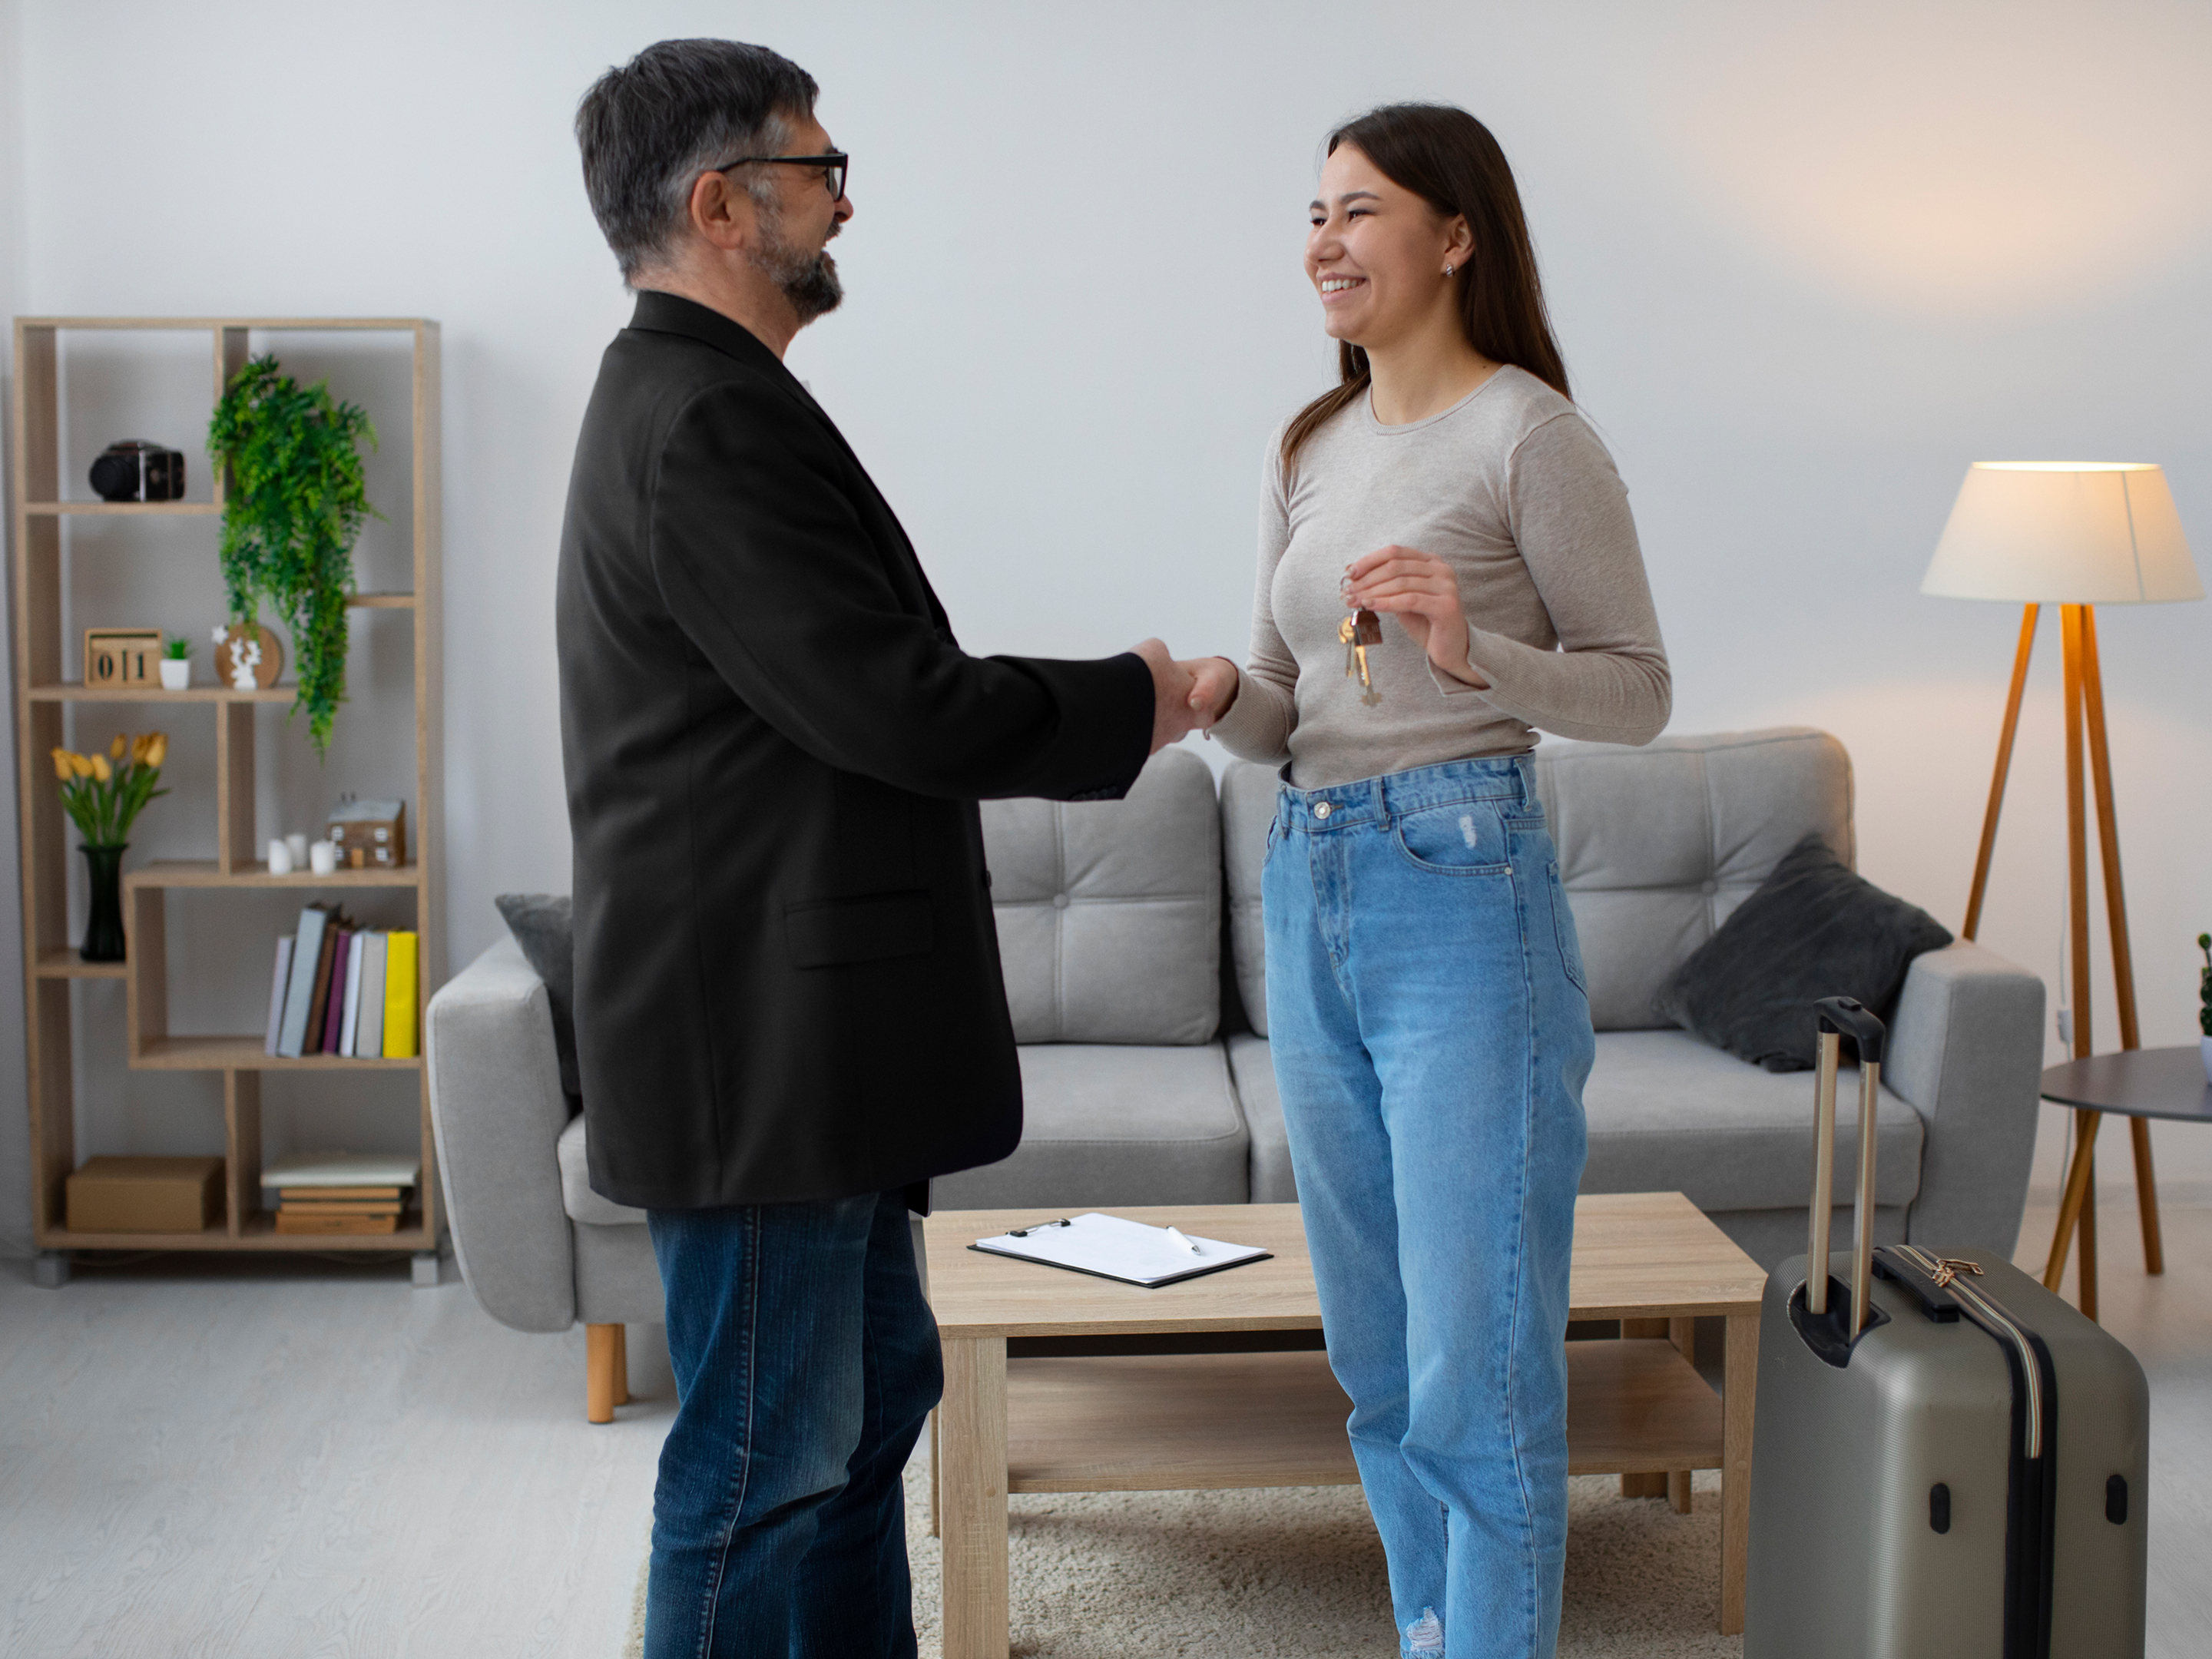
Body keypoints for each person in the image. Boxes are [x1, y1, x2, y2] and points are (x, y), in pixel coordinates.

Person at [558, 40, 1216, 1659]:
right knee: (764, 1466)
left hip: (809, 1052)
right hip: (761, 1055)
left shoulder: (712, 400)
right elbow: (892, 702)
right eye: (817, 173)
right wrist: (1137, 698)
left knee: (861, 1427)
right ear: (722, 204)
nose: (847, 203)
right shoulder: (701, 419)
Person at [1194, 104, 1671, 1659]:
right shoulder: (1306, 448)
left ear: (1454, 237)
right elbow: (1287, 702)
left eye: (1359, 211)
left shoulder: (1530, 434)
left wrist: (1476, 650)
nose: (1322, 242)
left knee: (1480, 1368)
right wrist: (1207, 702)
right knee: (1383, 1357)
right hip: (1310, 874)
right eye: (1312, 214)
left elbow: (1639, 689)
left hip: (1463, 882)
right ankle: (1432, 1630)